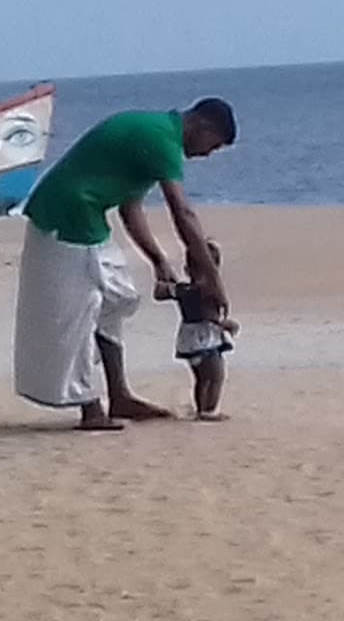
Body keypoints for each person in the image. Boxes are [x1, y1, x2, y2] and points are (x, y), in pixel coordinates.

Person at [13, 97, 237, 430]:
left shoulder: (155, 137)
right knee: (80, 308)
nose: (207, 154)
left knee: (118, 298)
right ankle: (91, 408)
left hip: (87, 215)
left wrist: (158, 259)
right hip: (68, 214)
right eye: (212, 146)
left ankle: (120, 395)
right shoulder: (162, 139)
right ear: (202, 126)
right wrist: (214, 280)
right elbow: (183, 214)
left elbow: (130, 207)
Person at [157, 240, 239, 420]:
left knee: (202, 378)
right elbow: (206, 315)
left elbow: (160, 292)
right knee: (216, 374)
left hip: (189, 339)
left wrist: (165, 279)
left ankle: (202, 409)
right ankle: (209, 411)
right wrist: (225, 325)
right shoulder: (206, 290)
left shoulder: (184, 289)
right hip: (205, 336)